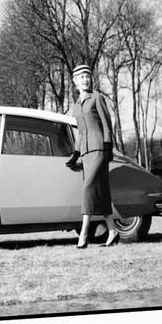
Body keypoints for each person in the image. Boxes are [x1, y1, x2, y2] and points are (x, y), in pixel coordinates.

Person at [65, 64, 120, 249]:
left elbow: (106, 124)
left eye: (88, 76)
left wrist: (108, 147)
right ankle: (112, 231)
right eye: (82, 77)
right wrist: (75, 154)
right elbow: (80, 133)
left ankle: (84, 234)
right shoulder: (75, 107)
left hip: (99, 150)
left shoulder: (97, 97)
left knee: (87, 188)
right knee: (101, 192)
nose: (86, 79)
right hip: (87, 153)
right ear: (75, 82)